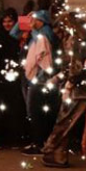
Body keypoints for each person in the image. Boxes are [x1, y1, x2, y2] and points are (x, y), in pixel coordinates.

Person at [22, 9, 57, 155]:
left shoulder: (44, 34)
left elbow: (42, 55)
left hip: (41, 78)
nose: (31, 21)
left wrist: (31, 26)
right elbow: (15, 33)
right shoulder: (38, 34)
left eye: (35, 19)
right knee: (34, 111)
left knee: (35, 111)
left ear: (42, 21)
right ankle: (38, 142)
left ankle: (39, 143)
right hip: (38, 77)